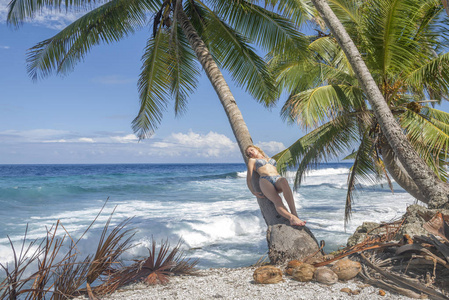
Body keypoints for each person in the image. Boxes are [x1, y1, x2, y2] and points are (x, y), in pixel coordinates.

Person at [245, 145, 306, 226]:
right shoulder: (252, 160)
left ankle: (294, 213)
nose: (250, 153)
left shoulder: (269, 158)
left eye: (251, 150)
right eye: (249, 153)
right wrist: (252, 191)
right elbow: (249, 177)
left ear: (257, 149)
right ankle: (291, 218)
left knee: (284, 180)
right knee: (277, 200)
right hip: (265, 180)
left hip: (277, 178)